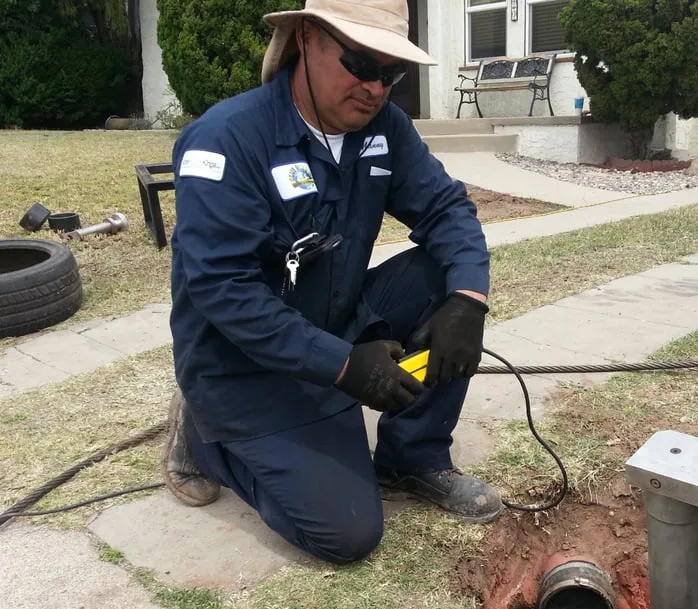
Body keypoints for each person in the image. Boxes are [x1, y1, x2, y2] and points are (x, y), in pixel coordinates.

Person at [160, 0, 505, 565]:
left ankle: (410, 458)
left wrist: (468, 300)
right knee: (345, 534)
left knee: (447, 273)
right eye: (361, 64)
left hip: (333, 325)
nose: (376, 88)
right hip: (243, 366)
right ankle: (204, 436)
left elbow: (446, 209)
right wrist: (346, 368)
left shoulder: (384, 129)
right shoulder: (226, 140)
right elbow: (225, 291)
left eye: (391, 74)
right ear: (306, 40)